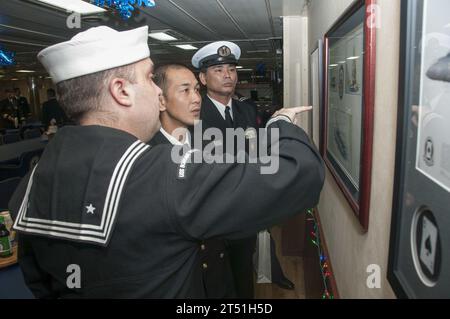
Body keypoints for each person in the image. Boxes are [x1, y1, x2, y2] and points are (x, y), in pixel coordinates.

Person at [9, 26, 324, 298]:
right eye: (149, 78)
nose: (159, 93)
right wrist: (280, 124)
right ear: (121, 91)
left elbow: (40, 282)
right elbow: (303, 175)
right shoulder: (160, 174)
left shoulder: (30, 184)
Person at [192, 41, 296, 297]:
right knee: (214, 282)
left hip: (245, 212)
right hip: (211, 217)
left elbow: (256, 153)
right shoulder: (193, 115)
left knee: (243, 276)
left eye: (231, 69)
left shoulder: (246, 110)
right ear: (203, 78)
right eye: (218, 70)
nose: (228, 75)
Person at [150, 63, 235, 298]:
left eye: (197, 90)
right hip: (178, 274)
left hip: (217, 261)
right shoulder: (146, 154)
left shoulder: (211, 140)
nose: (196, 98)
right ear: (161, 100)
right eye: (185, 90)